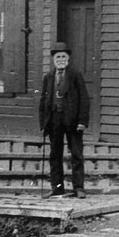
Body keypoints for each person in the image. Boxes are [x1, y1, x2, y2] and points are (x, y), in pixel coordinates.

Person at [38, 41, 90, 199]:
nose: (60, 59)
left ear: (68, 59)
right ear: (53, 59)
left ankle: (78, 188)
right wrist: (43, 123)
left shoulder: (75, 75)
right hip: (54, 120)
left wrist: (82, 121)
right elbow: (43, 101)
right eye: (58, 56)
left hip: (73, 121)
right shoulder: (48, 77)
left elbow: (84, 99)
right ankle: (57, 188)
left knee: (76, 154)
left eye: (63, 56)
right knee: (55, 156)